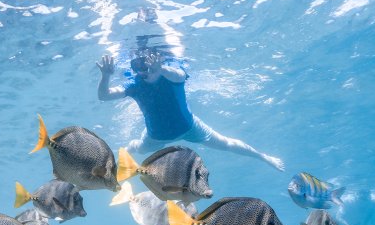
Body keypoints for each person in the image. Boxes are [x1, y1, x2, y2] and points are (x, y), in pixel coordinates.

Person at [96, 48, 285, 171]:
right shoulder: (134, 84)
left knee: (227, 144)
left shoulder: (171, 76)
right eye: (136, 67)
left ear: (155, 61)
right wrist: (105, 76)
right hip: (155, 135)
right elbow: (104, 96)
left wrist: (160, 69)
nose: (142, 70)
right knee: (137, 147)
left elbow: (180, 75)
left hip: (191, 127)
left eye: (145, 64)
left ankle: (264, 157)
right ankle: (119, 154)